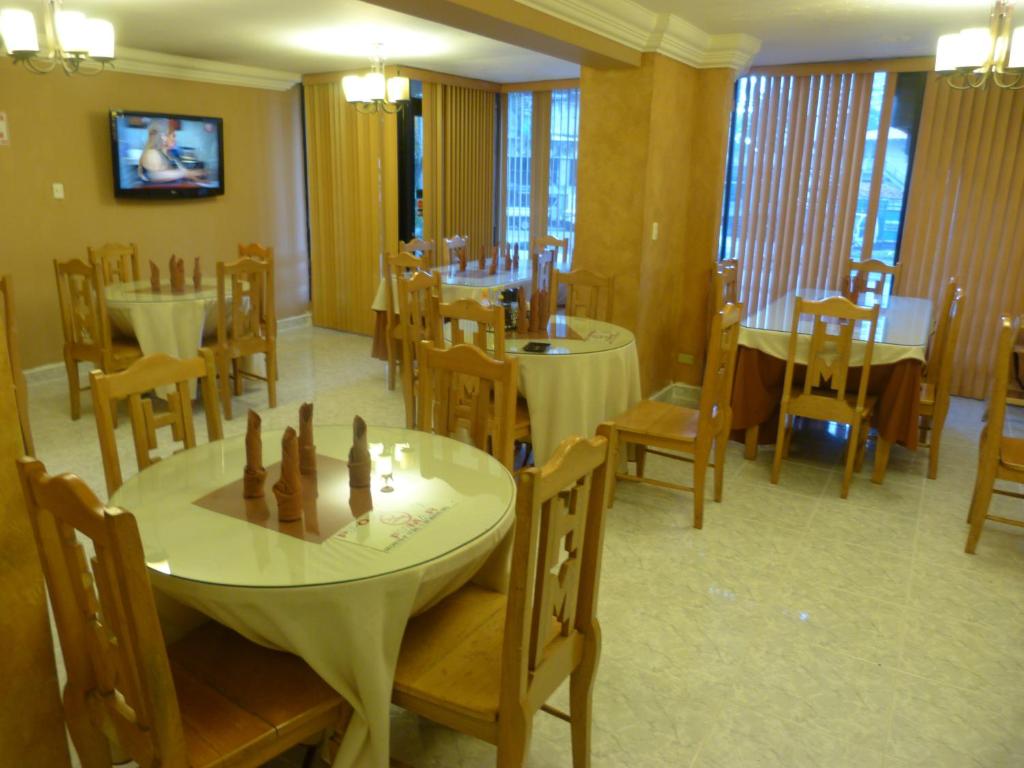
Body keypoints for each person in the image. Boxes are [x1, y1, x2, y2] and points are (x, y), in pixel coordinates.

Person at [137, 121, 206, 183]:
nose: (175, 139)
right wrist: (183, 173)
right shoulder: (152, 153)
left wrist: (198, 178)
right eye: (173, 136)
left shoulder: (169, 154)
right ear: (163, 137)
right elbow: (154, 175)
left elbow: (184, 172)